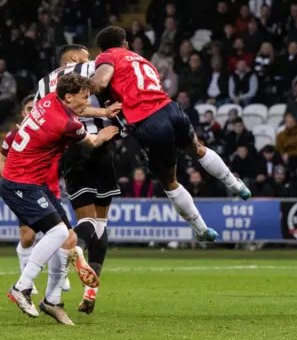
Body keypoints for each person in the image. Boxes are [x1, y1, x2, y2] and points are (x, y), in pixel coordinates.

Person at [90, 26, 251, 243]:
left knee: (170, 182)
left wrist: (84, 89)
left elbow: (99, 82)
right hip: (170, 109)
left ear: (102, 49)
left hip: (148, 121)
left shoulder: (107, 56)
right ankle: (236, 184)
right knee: (198, 150)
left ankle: (201, 228)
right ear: (126, 44)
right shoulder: (142, 60)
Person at [2, 73, 118, 324]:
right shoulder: (67, 124)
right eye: (84, 97)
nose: (88, 102)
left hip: (32, 181)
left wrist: (104, 113)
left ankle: (52, 301)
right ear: (68, 97)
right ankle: (22, 287)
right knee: (57, 234)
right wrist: (104, 135)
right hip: (20, 183)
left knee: (69, 237)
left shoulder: (46, 102)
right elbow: (91, 141)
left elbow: (81, 109)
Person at [34, 44, 122, 314]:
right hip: (104, 145)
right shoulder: (93, 68)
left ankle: (71, 248)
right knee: (100, 222)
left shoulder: (43, 83)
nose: (90, 59)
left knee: (84, 221)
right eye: (85, 55)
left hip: (75, 148)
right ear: (74, 57)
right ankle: (90, 291)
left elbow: (50, 118)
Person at [0, 95, 71, 296]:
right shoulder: (14, 136)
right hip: (25, 189)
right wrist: (13, 182)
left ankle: (56, 276)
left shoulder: (53, 130)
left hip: (50, 190)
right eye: (28, 108)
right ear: (23, 113)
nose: (31, 112)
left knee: (63, 236)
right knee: (29, 236)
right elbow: (2, 161)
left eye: (34, 108)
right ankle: (25, 274)